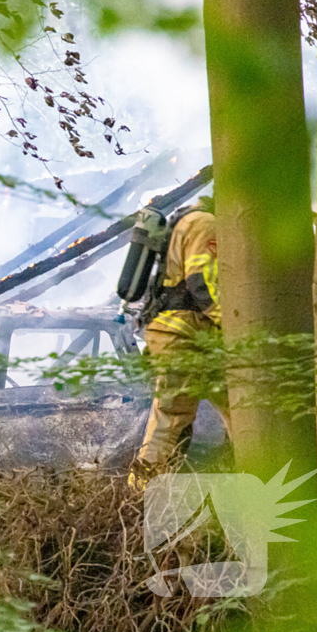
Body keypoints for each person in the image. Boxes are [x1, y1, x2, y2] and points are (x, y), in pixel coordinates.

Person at [129, 197, 225, 489]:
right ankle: (141, 494)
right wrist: (232, 323)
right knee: (171, 418)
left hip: (191, 336)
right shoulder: (205, 222)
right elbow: (202, 282)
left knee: (241, 405)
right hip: (182, 336)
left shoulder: (189, 219)